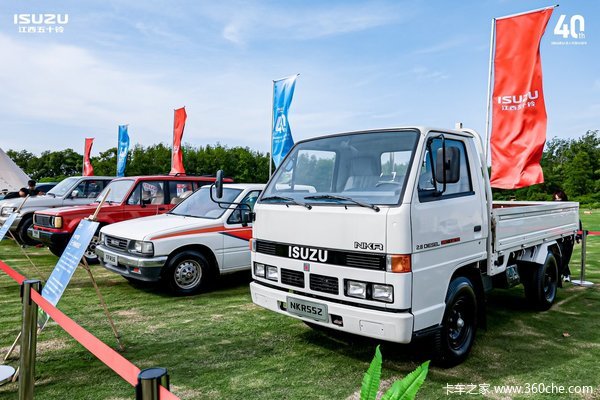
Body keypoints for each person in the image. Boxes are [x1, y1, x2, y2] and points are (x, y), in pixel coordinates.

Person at [553, 190, 579, 282]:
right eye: (556, 199)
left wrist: (578, 236)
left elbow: (577, 221)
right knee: (560, 257)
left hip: (568, 237)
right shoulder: (552, 210)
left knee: (566, 256)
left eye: (559, 199)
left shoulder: (570, 209)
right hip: (557, 237)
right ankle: (563, 274)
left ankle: (565, 273)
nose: (558, 201)